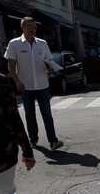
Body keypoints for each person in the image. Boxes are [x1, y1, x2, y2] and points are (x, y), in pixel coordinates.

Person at [4, 17, 64, 151]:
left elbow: (48, 60)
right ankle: (33, 140)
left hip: (43, 85)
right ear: (23, 28)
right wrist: (17, 81)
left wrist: (50, 69)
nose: (33, 29)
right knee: (30, 115)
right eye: (29, 27)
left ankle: (53, 141)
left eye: (34, 27)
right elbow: (11, 67)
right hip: (26, 86)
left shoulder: (42, 43)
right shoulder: (14, 44)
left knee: (47, 114)